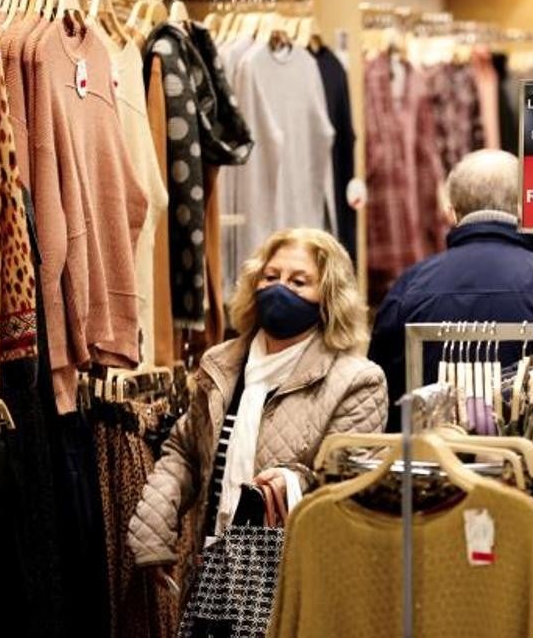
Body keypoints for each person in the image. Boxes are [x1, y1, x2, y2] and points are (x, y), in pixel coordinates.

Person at [127, 229, 387, 575]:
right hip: (213, 567)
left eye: (299, 282)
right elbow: (185, 452)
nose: (280, 289)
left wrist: (292, 483)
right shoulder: (222, 365)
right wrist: (152, 533)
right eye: (271, 276)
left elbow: (348, 487)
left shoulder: (356, 381)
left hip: (298, 575)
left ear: (327, 298)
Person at [369, 149, 533, 420]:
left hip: (433, 457)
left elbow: (384, 398)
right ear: (523, 207)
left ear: (451, 213)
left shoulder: (408, 287)